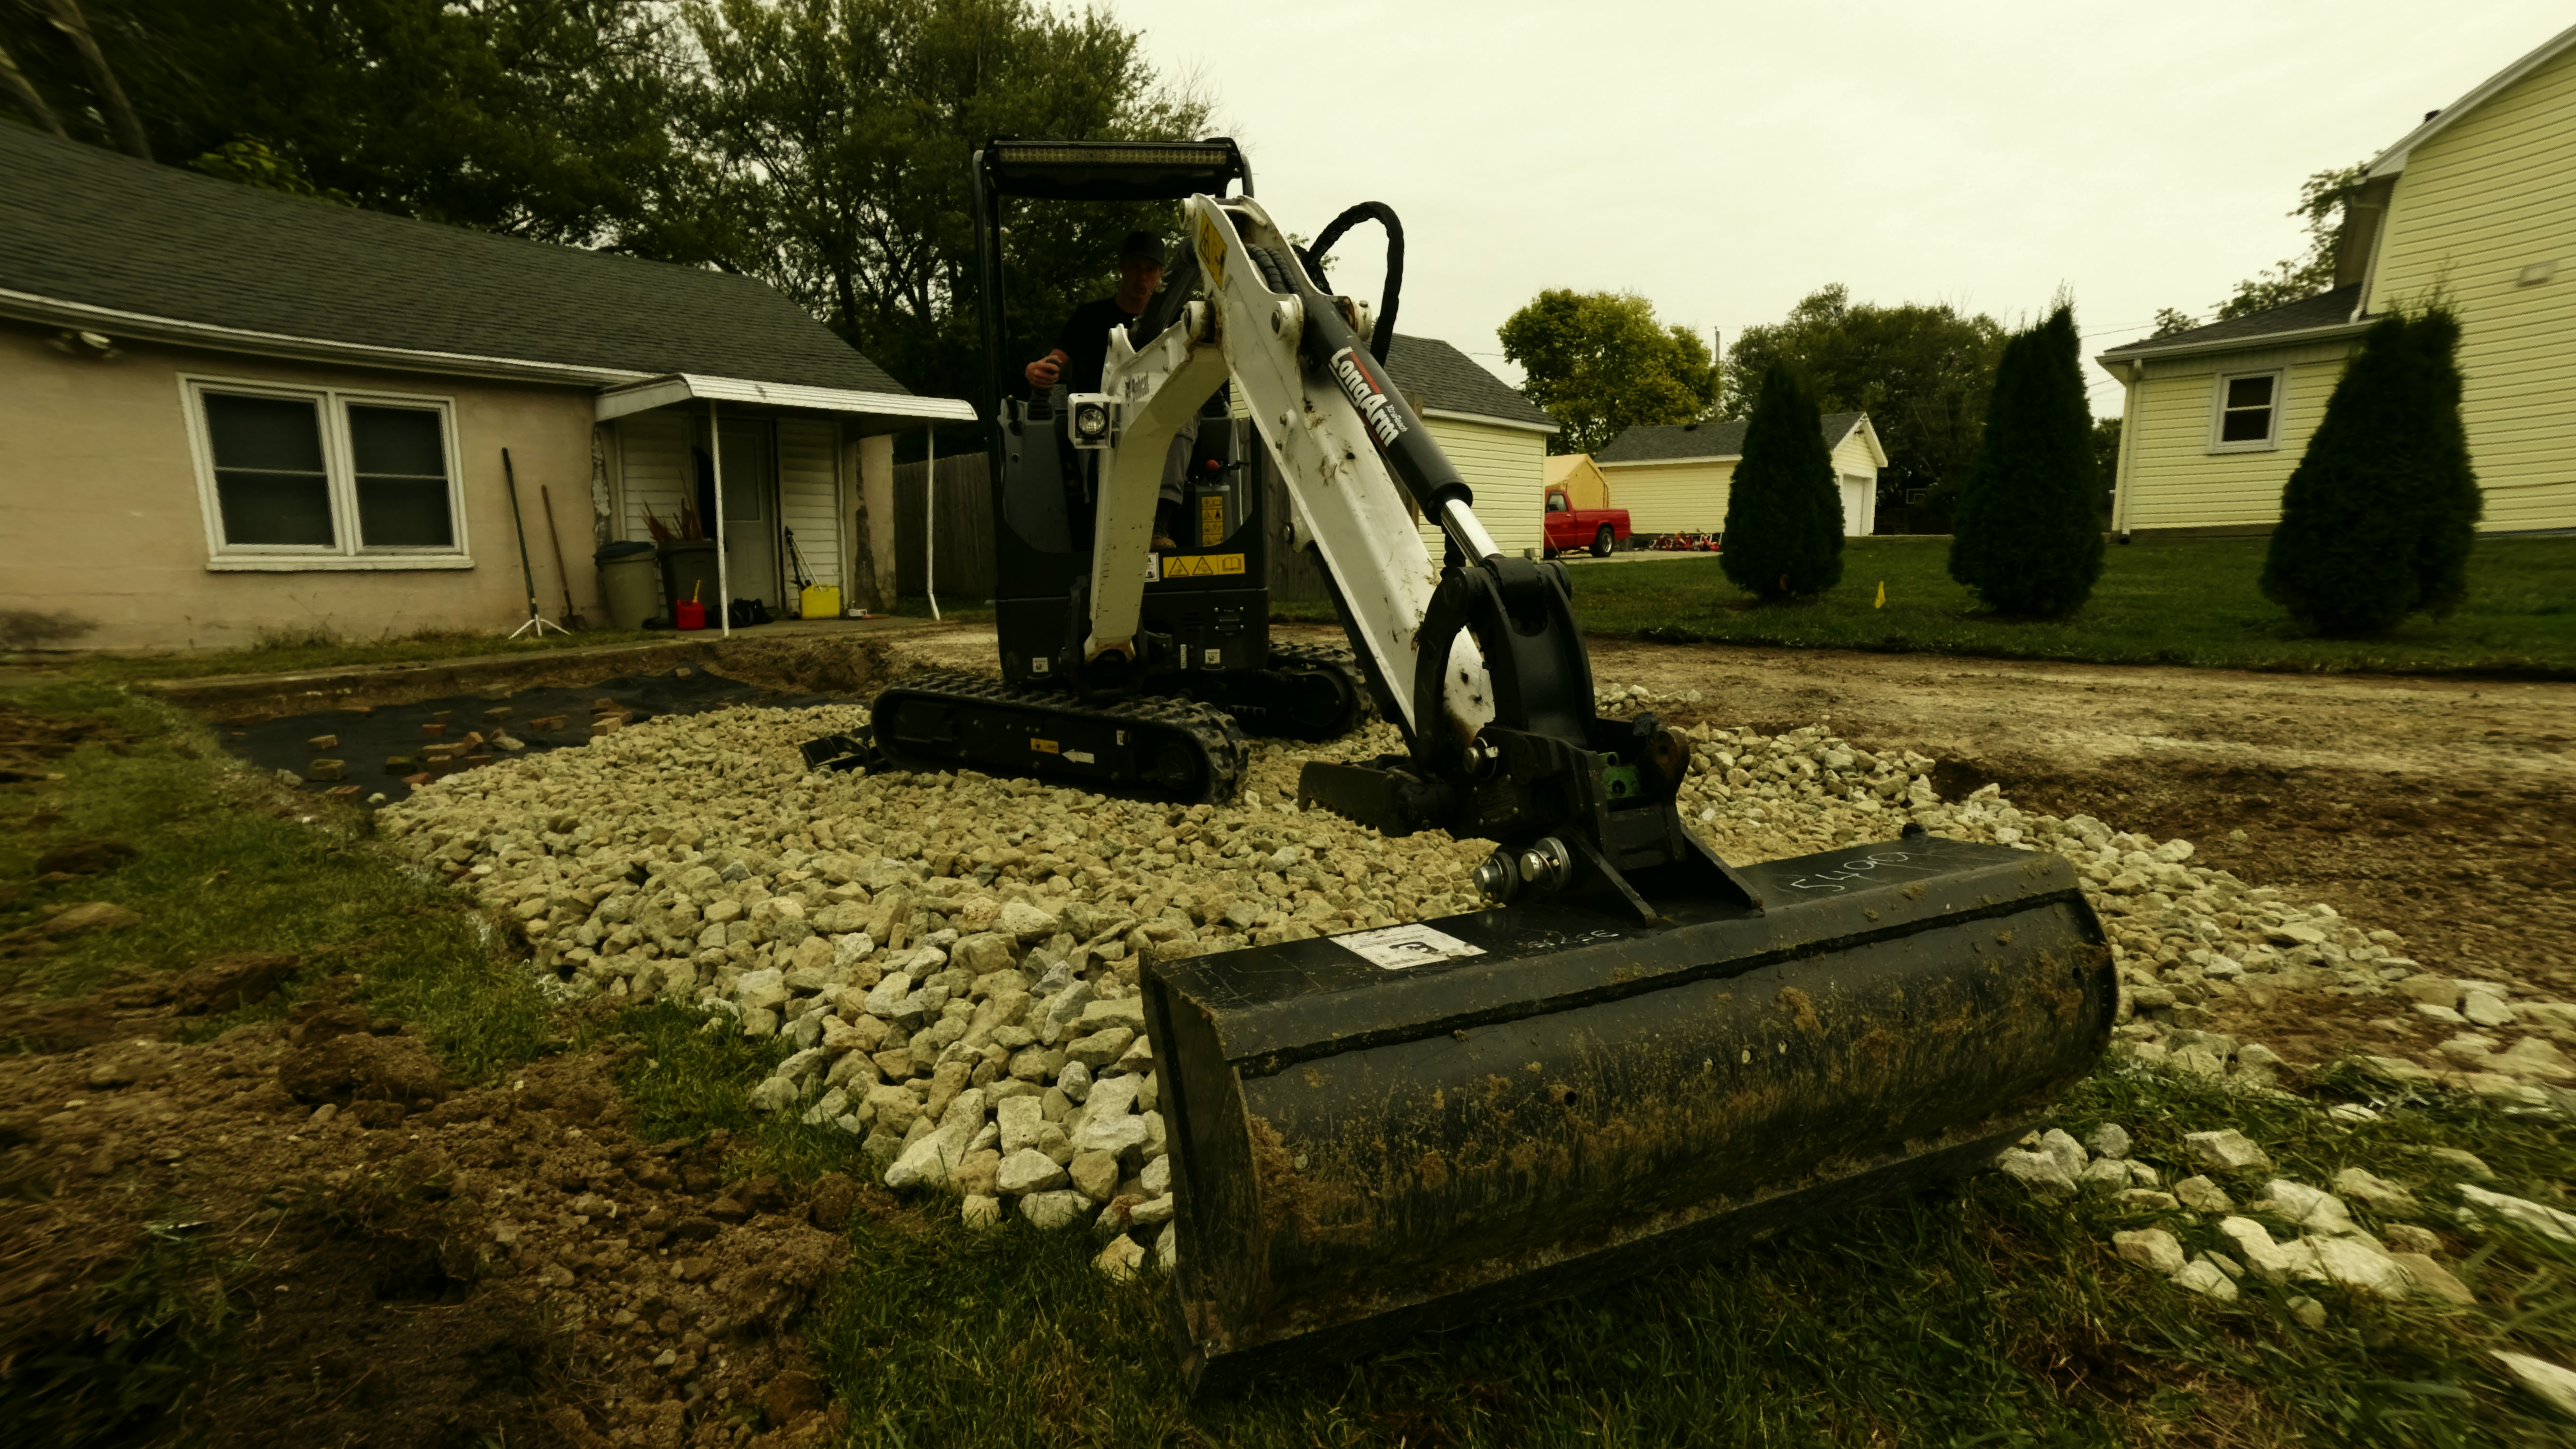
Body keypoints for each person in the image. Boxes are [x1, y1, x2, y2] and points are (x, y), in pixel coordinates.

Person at [1026, 230, 1190, 549]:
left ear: (1160, 275)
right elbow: (1056, 359)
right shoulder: (1089, 317)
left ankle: (1158, 524)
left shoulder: (1178, 322)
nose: (1142, 278)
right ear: (1122, 268)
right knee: (1092, 422)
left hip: (1159, 413)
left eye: (1150, 270)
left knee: (1185, 410)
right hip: (1101, 415)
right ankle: (1103, 524)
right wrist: (1037, 369)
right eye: (1135, 268)